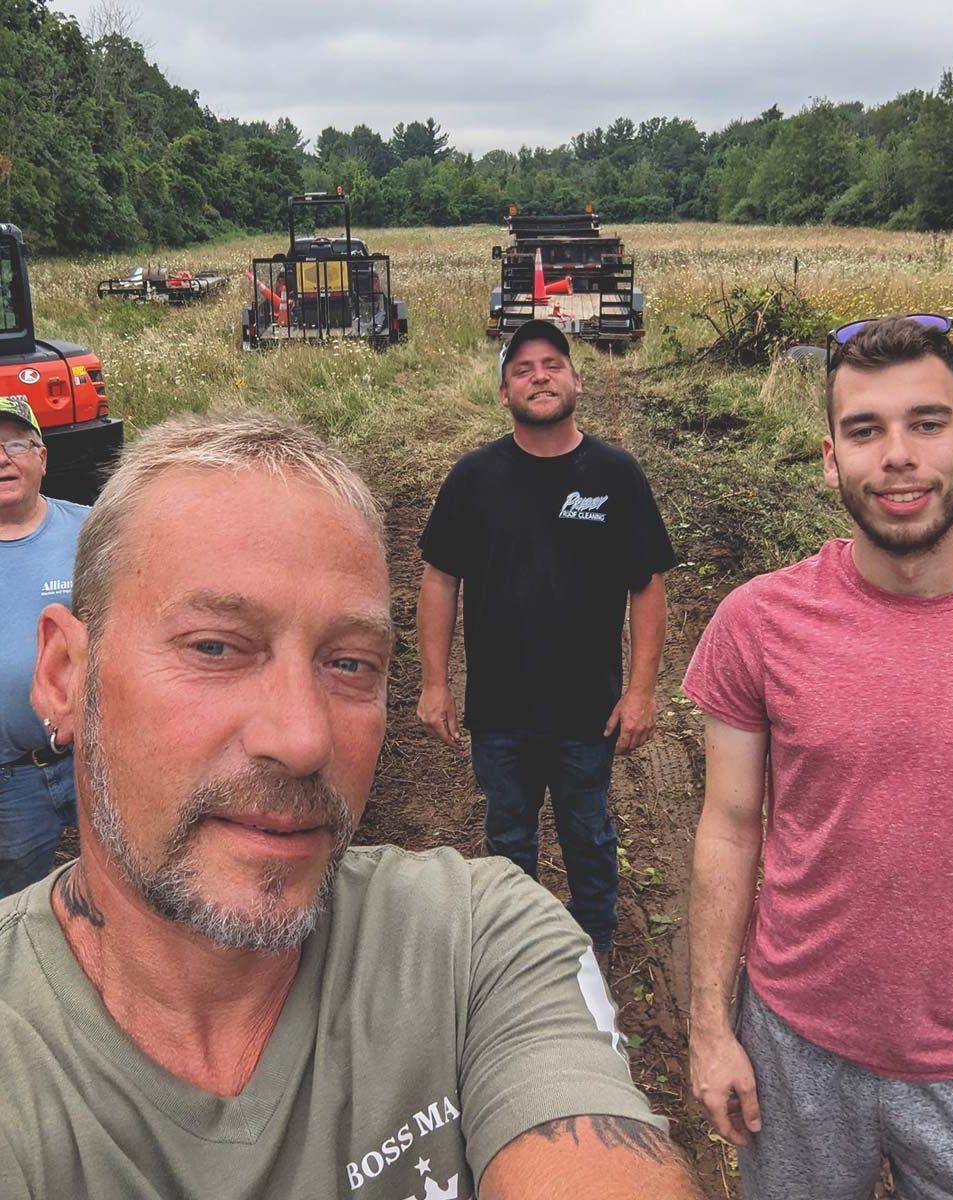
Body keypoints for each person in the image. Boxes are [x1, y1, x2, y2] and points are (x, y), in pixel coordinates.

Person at [2, 408, 698, 1200]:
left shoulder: (475, 945)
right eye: (216, 647)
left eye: (350, 663)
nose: (303, 740)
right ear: (64, 672)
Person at [684, 314, 953, 1199]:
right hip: (796, 1049)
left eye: (928, 422)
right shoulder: (760, 623)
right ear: (831, 457)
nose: (899, 455)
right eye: (865, 429)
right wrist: (709, 1030)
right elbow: (728, 828)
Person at [417, 320, 676, 969]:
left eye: (552, 364)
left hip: (587, 707)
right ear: (504, 393)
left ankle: (595, 940)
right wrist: (433, 682)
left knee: (588, 829)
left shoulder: (615, 475)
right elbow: (440, 579)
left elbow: (646, 587)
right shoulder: (474, 478)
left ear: (577, 381)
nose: (540, 375)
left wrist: (642, 691)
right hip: (499, 708)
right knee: (508, 833)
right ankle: (517, 947)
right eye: (523, 368)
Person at [0, 395, 86, 897]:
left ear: (42, 457)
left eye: (15, 443)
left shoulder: (92, 532)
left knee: (130, 873)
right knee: (16, 900)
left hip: (93, 756)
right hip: (10, 779)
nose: (2, 458)